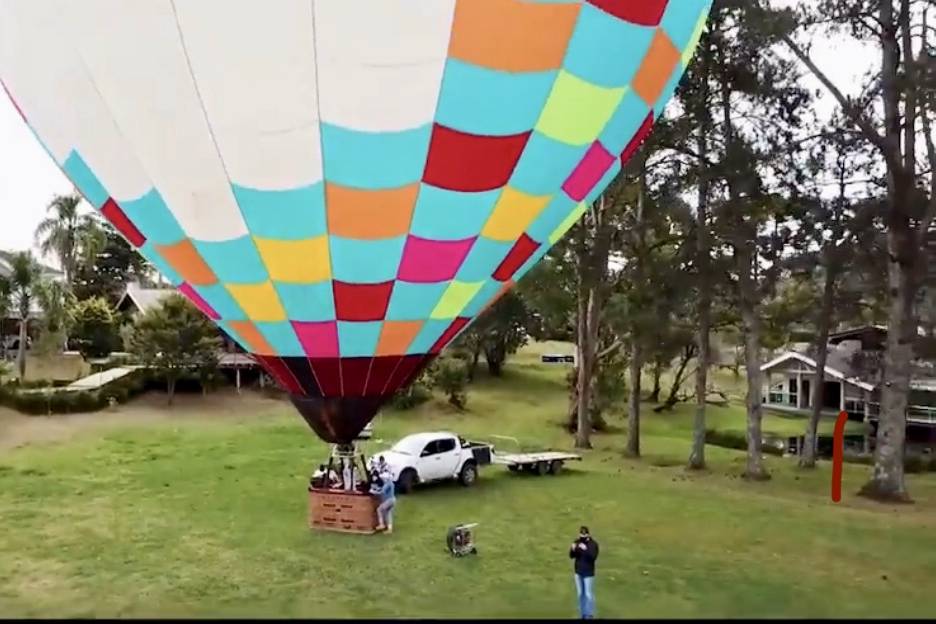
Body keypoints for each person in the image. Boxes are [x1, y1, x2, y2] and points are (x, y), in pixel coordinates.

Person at [569, 526, 599, 619]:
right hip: (578, 572)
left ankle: (589, 614)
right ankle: (583, 613)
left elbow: (593, 557)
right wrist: (572, 549)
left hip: (588, 573)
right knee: (580, 594)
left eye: (584, 535)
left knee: (588, 594)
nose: (582, 536)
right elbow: (572, 556)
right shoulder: (577, 542)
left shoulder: (593, 544)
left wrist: (585, 549)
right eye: (581, 534)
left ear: (588, 534)